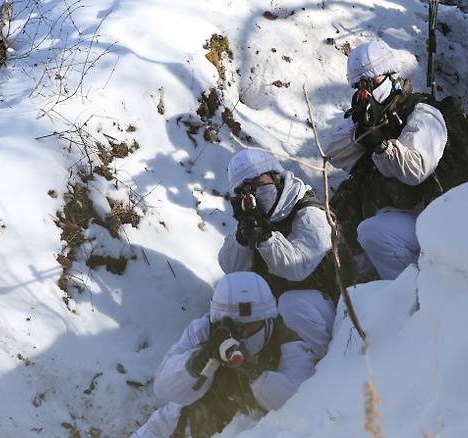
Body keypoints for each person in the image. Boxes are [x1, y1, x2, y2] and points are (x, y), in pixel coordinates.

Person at [134, 271, 323, 438]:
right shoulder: (203, 331)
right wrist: (194, 364)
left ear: (267, 320)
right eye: (235, 326)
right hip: (190, 420)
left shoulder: (286, 342)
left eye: (251, 326)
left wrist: (252, 372)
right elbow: (163, 390)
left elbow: (297, 405)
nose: (243, 333)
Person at [325, 40, 449, 280]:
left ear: (391, 75)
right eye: (359, 85)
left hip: (429, 217)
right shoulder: (372, 116)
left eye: (371, 82)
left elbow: (416, 171)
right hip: (390, 212)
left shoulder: (422, 113)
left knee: (373, 232)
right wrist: (361, 130)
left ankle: (413, 295)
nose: (365, 90)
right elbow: (332, 151)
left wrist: (381, 145)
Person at [218, 149, 336, 360]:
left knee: (292, 304)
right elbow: (231, 268)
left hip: (327, 303)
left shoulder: (308, 213)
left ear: (274, 177)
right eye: (246, 188)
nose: (253, 191)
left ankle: (329, 360)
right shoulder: (258, 216)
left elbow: (296, 268)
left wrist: (265, 237)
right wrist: (242, 238)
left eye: (258, 182)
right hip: (283, 306)